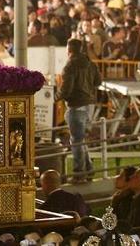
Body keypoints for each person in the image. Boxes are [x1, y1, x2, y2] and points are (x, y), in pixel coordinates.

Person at [59, 38, 99, 183]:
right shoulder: (90, 64)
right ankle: (88, 170)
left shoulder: (69, 66)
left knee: (76, 141)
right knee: (81, 139)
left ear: (69, 50)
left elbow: (66, 90)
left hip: (76, 105)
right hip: (90, 105)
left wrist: (55, 97)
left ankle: (79, 173)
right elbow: (98, 82)